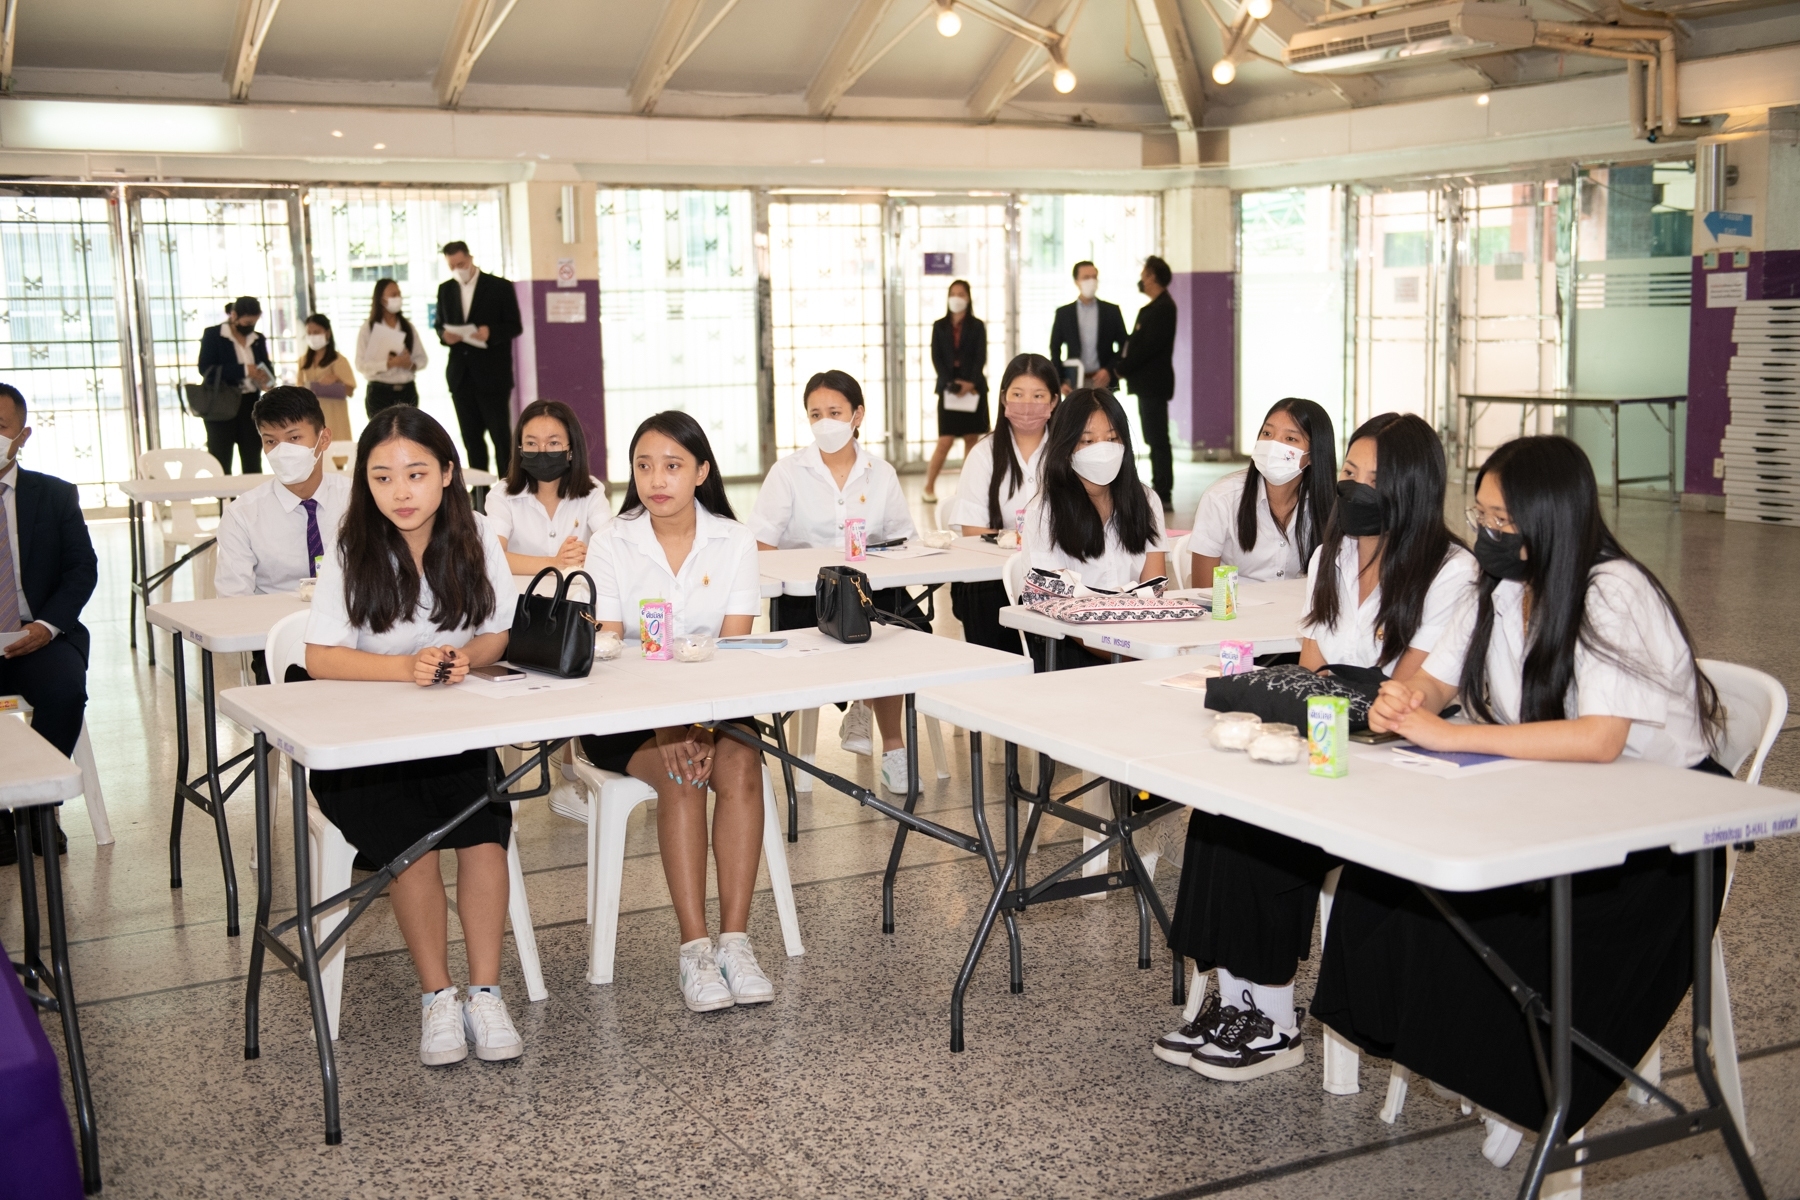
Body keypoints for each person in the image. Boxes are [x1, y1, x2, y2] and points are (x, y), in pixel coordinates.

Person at [1311, 434, 1727, 1145]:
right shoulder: (1499, 586)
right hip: (1549, 798)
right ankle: (1458, 1061)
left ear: (1551, 518)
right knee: (1385, 884)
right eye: (1482, 515)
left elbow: (1599, 739)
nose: (1487, 534)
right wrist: (1405, 702)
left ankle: (1520, 1084)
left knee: (1492, 918)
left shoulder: (1611, 590)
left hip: (1658, 836)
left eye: (1503, 520)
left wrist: (1451, 738)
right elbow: (1438, 682)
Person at [1158, 412, 1476, 1082]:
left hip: (1400, 752)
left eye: (1372, 479)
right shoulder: (1336, 551)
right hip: (1331, 729)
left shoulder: (1451, 571)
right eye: (1348, 473)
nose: (1353, 488)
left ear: (1413, 488)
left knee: (1273, 832)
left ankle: (1275, 1020)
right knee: (1224, 812)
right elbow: (1312, 661)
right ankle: (1235, 998)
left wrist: (1335, 695)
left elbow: (1408, 691)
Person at [302, 405, 524, 1067]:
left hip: (449, 731)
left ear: (448, 473)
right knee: (416, 848)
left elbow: (498, 633)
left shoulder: (476, 535)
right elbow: (320, 657)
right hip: (364, 748)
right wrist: (407, 668)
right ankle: (437, 997)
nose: (400, 491)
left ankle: (486, 993)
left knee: (484, 834)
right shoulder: (352, 548)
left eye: (416, 473)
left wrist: (464, 659)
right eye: (382, 477)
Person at [579, 411, 774, 1014]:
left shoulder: (734, 540)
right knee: (681, 775)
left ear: (702, 472)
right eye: (643, 466)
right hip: (625, 713)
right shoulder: (611, 542)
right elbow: (609, 648)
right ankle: (694, 949)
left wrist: (702, 726)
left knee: (742, 767)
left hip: (718, 703)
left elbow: (734, 648)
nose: (656, 479)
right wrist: (672, 730)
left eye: (672, 465)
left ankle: (735, 943)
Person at [750, 370, 922, 794]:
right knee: (865, 640)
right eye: (815, 414)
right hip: (807, 599)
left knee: (898, 638)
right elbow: (760, 543)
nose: (825, 422)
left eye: (835, 412)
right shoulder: (788, 472)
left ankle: (893, 748)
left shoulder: (881, 473)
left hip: (871, 594)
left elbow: (905, 540)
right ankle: (860, 702)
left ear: (857, 415)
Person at [0, 384, 97, 867]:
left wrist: (46, 626)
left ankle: (40, 806)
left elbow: (81, 568)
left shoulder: (55, 495)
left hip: (38, 633)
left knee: (64, 691)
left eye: (0, 427)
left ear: (22, 435)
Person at [214, 386, 353, 683]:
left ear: (323, 439)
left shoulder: (358, 500)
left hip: (358, 638)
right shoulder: (243, 515)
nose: (282, 451)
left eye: (293, 438)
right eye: (271, 441)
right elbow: (232, 604)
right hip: (282, 645)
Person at [1021, 386, 1166, 669]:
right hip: (1071, 646)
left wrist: (1141, 648)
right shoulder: (1044, 512)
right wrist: (1125, 653)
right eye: (1087, 441)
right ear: (1065, 448)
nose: (1102, 450)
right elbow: (1057, 606)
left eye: (1112, 439)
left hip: (1139, 638)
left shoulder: (1146, 501)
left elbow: (1153, 591)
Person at [945, 353, 1060, 655]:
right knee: (985, 598)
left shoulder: (1067, 453)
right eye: (1018, 395)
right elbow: (973, 534)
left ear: (1054, 401)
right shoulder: (983, 454)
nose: (1027, 405)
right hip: (992, 577)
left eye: (1038, 396)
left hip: (1058, 572)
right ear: (1003, 398)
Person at [1188, 398, 1337, 587]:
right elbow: (1202, 589)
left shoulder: (1327, 504)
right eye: (1267, 433)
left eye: (1290, 439)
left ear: (1313, 455)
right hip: (1233, 605)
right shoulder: (1222, 497)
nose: (1273, 445)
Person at [488, 399, 611, 578]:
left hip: (574, 593)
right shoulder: (501, 495)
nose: (542, 451)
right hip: (520, 594)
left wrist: (589, 555)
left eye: (553, 443)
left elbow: (611, 549)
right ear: (520, 449)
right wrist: (555, 563)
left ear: (571, 449)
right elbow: (493, 557)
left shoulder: (592, 491)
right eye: (531, 443)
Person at [435, 241, 523, 475]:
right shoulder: (446, 289)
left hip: (492, 376)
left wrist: (490, 332)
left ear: (471, 258)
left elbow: (514, 326)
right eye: (452, 266)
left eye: (461, 263)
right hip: (461, 376)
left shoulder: (499, 287)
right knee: (471, 439)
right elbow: (439, 324)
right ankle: (479, 492)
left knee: (501, 439)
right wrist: (444, 335)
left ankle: (507, 487)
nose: (458, 269)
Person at [1114, 256, 1178, 512]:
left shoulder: (1163, 308)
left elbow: (1146, 348)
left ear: (1152, 276)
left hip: (1154, 384)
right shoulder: (1153, 307)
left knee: (1157, 438)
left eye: (1144, 274)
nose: (1141, 279)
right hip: (1147, 385)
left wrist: (1120, 369)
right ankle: (1160, 485)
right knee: (1153, 436)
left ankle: (1163, 490)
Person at [922, 279, 988, 504]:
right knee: (945, 440)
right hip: (948, 387)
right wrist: (951, 383)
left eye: (961, 294)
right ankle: (929, 487)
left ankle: (966, 490)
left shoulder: (977, 326)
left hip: (973, 388)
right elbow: (936, 357)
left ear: (968, 298)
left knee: (972, 440)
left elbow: (980, 357)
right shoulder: (939, 326)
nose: (957, 298)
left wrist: (970, 383)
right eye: (953, 293)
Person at [195, 296, 274, 474]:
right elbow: (205, 369)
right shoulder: (214, 335)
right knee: (221, 460)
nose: (250, 327)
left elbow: (266, 366)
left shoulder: (258, 339)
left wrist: (266, 379)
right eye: (247, 322)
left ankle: (253, 492)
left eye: (253, 322)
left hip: (251, 404)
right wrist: (245, 370)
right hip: (221, 403)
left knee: (253, 459)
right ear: (234, 316)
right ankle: (224, 493)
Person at [1048, 261, 1126, 394]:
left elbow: (1124, 345)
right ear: (1076, 281)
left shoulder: (1111, 311)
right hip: (1074, 382)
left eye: (1094, 277)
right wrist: (1060, 380)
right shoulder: (1064, 313)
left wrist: (1109, 369)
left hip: (1103, 381)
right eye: (1086, 277)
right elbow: (1055, 348)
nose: (1091, 281)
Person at [354, 279, 427, 419]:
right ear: (381, 299)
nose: (398, 298)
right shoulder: (368, 328)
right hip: (379, 391)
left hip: (407, 391)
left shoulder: (407, 327)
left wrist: (409, 364)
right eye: (393, 295)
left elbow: (422, 359)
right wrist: (388, 364)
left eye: (399, 294)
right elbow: (360, 364)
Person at [295, 313, 356, 444]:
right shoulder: (303, 361)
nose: (312, 336)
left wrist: (337, 380)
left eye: (316, 332)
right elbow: (298, 389)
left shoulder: (339, 360)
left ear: (327, 333)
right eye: (309, 333)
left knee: (335, 450)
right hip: (311, 418)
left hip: (335, 417)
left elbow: (350, 390)